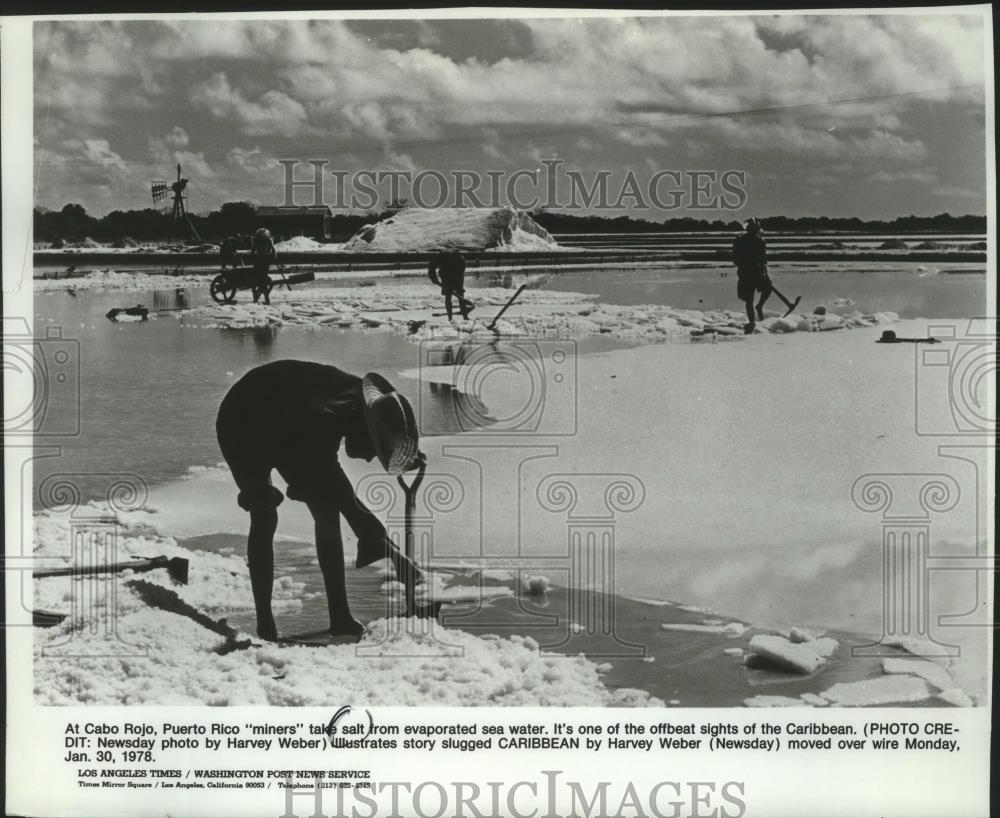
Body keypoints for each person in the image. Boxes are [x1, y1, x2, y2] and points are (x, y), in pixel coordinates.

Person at [216, 360, 425, 641]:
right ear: (364, 427)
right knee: (263, 513)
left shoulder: (350, 407)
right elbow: (339, 489)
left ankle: (340, 618)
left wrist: (377, 539)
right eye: (373, 448)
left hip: (288, 416)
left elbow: (335, 491)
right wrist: (388, 549)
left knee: (326, 510)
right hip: (243, 418)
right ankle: (266, 628)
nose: (369, 458)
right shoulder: (324, 416)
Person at [732, 217, 771, 333]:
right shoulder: (739, 240)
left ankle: (759, 306)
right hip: (746, 273)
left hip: (757, 272)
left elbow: (764, 259)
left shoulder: (760, 241)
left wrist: (765, 272)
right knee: (749, 299)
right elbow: (735, 257)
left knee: (768, 288)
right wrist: (744, 265)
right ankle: (752, 321)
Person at [428, 250, 472, 320]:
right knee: (455, 295)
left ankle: (460, 316)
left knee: (452, 295)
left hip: (455, 272)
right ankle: (457, 317)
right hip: (448, 274)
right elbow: (432, 268)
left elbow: (431, 268)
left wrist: (435, 280)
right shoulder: (442, 257)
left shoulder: (458, 258)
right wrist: (435, 280)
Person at [250, 227, 277, 305]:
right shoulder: (269, 239)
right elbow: (274, 251)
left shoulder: (256, 239)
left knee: (257, 280)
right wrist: (273, 257)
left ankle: (256, 297)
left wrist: (252, 256)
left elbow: (252, 251)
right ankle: (265, 298)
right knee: (264, 279)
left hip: (258, 260)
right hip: (265, 261)